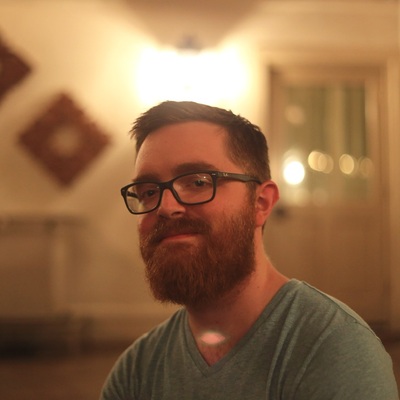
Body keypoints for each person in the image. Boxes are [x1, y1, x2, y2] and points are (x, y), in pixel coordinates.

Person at [101, 101, 398, 399]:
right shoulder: (135, 371)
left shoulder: (333, 349)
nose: (165, 207)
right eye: (148, 192)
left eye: (198, 182)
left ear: (261, 203)